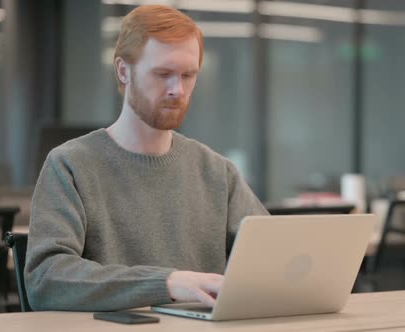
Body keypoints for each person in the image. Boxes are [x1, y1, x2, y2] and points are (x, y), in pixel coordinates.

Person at [25, 5, 268, 312]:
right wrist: (167, 283)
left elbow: (271, 259)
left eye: (188, 75)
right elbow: (46, 280)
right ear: (123, 70)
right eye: (163, 74)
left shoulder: (217, 172)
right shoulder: (70, 165)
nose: (177, 90)